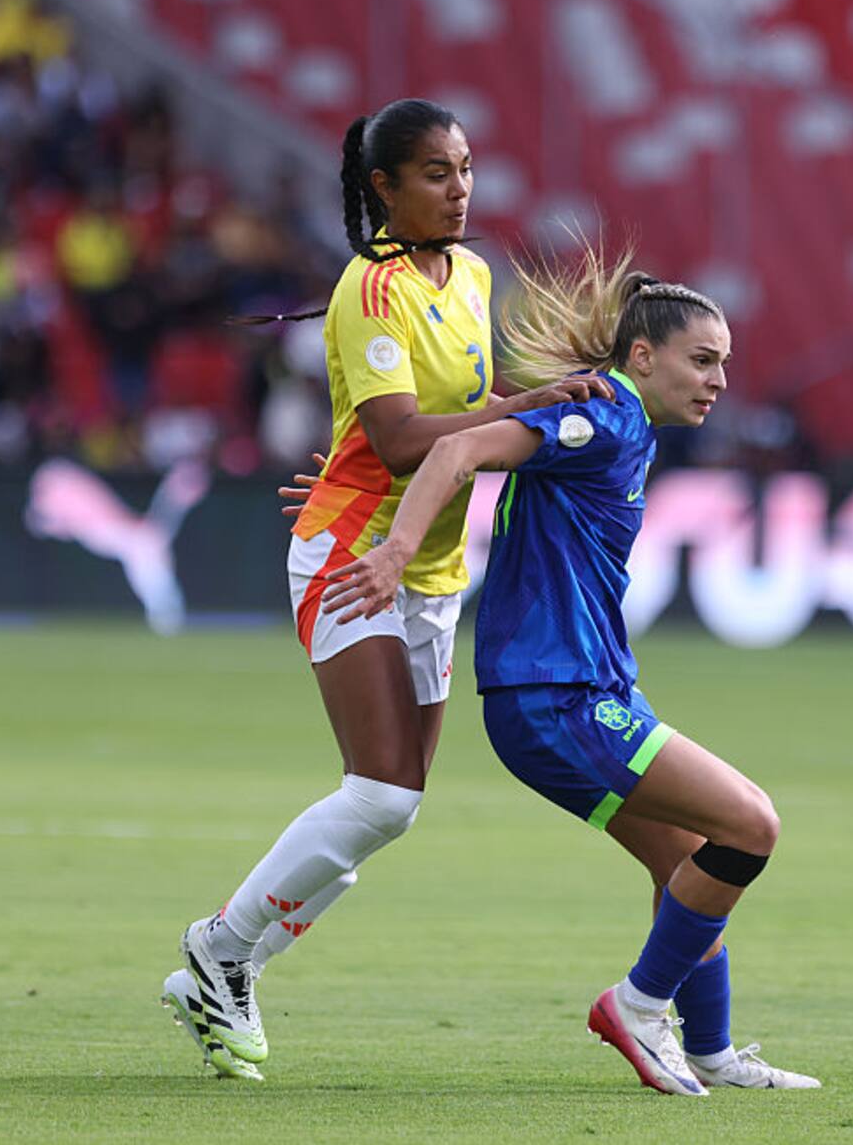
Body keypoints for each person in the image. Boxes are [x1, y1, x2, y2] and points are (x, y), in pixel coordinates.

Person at [160, 98, 611, 1080]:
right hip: (352, 554)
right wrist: (532, 405)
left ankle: (227, 962)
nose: (460, 189)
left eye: (466, 168)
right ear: (384, 187)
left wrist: (525, 412)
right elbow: (405, 439)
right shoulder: (369, 291)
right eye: (436, 173)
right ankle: (219, 952)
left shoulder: (471, 274)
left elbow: (453, 419)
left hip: (433, 568)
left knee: (392, 807)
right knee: (379, 790)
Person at [321, 246, 821, 1095]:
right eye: (702, 360)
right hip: (557, 697)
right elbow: (455, 450)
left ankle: (709, 1050)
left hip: (579, 690)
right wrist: (397, 550)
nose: (718, 382)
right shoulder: (606, 418)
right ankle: (638, 1005)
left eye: (724, 364)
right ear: (642, 356)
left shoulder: (622, 426)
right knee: (751, 826)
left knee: (687, 863)